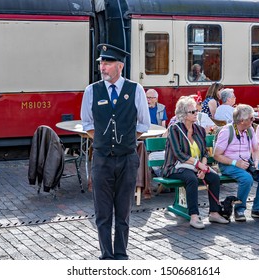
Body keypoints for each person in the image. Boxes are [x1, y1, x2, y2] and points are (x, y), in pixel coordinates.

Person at [80, 43, 151, 259]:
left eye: (107, 63)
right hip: (101, 159)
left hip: (127, 159)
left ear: (120, 66)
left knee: (123, 210)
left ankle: (121, 254)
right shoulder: (91, 91)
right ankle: (106, 255)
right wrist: (105, 141)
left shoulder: (135, 89)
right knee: (102, 212)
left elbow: (143, 124)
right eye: (101, 63)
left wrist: (124, 141)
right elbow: (87, 124)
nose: (102, 67)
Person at [162, 96, 229, 229]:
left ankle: (214, 213)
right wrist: (199, 166)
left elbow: (204, 152)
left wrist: (203, 168)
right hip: (175, 167)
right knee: (191, 179)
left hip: (195, 166)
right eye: (192, 112)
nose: (196, 114)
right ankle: (194, 215)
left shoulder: (198, 129)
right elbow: (179, 154)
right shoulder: (175, 129)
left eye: (196, 111)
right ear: (183, 114)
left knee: (215, 177)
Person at [213, 104, 259, 221]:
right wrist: (236, 163)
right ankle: (239, 209)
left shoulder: (250, 130)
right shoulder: (227, 131)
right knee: (246, 178)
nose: (253, 120)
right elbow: (216, 155)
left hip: (247, 162)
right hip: (228, 164)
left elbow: (256, 150)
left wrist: (256, 161)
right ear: (241, 121)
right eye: (251, 118)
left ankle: (258, 209)